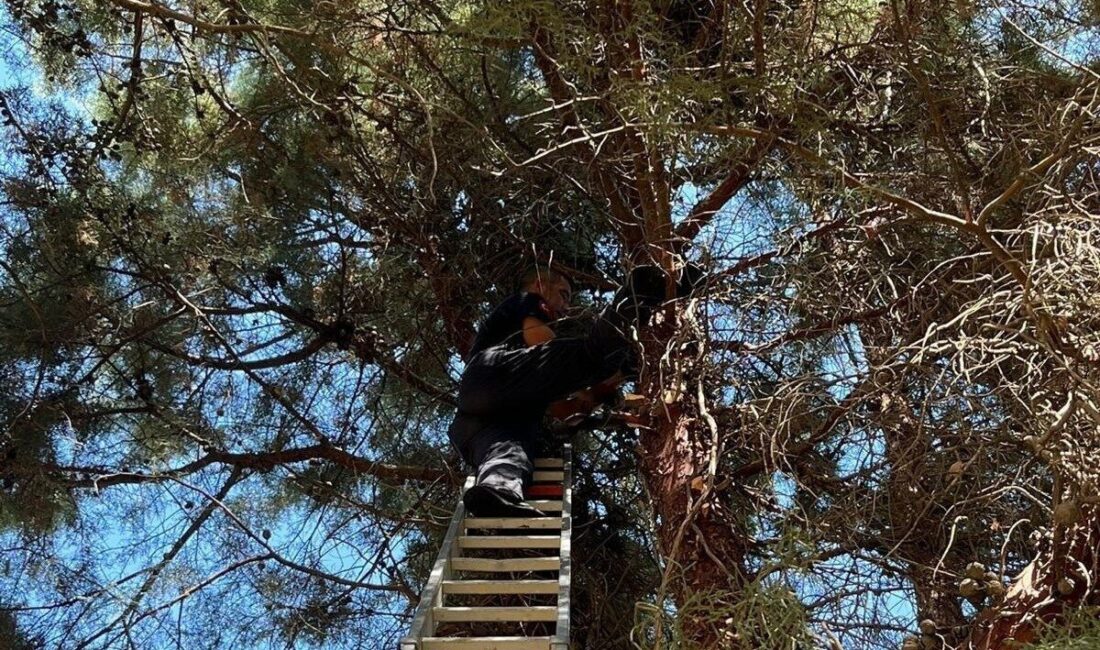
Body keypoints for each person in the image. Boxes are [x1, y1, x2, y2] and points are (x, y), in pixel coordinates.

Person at [447, 263, 699, 517]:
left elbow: (562, 411)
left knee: (510, 454)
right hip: (492, 373)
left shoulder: (527, 385)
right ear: (540, 285)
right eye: (563, 294)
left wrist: (610, 399)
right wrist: (588, 379)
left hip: (474, 423)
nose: (566, 307)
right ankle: (644, 291)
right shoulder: (527, 300)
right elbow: (541, 344)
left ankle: (496, 490)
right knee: (593, 356)